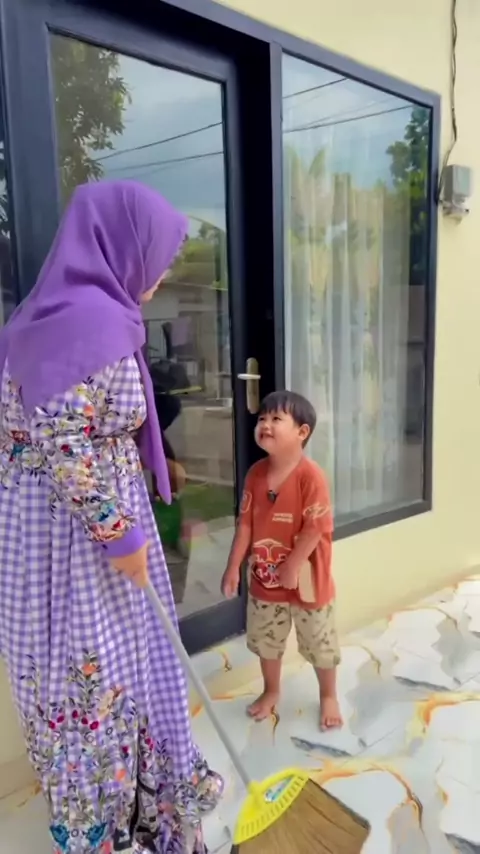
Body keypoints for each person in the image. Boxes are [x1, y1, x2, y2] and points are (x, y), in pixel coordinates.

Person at [0, 180, 223, 854]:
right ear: (122, 246)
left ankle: (140, 817)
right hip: (77, 546)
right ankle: (112, 830)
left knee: (122, 671)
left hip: (69, 532)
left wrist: (151, 468)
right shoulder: (85, 322)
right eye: (158, 256)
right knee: (96, 680)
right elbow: (64, 442)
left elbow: (93, 427)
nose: (161, 273)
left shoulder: (69, 314)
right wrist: (118, 533)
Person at [222, 390, 343, 731]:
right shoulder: (255, 475)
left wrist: (292, 565)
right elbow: (246, 524)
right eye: (262, 418)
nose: (265, 424)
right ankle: (271, 690)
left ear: (302, 432)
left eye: (276, 419)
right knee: (267, 640)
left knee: (319, 640)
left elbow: (316, 528)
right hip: (265, 580)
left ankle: (328, 694)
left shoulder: (310, 476)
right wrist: (233, 567)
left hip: (307, 580)